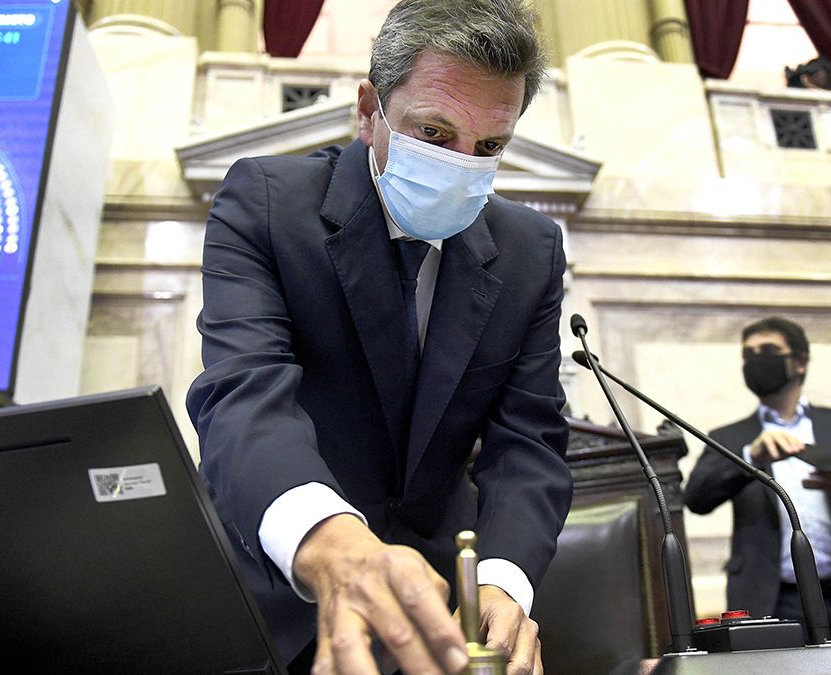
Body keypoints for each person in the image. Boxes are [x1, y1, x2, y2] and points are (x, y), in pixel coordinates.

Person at [185, 1, 573, 673]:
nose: (462, 165)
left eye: (490, 147)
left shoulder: (530, 250)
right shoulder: (267, 203)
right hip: (269, 605)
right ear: (370, 111)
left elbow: (528, 443)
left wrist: (501, 582)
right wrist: (335, 547)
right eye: (435, 132)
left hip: (437, 615)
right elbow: (243, 399)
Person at [684, 317, 831, 653]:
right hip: (772, 603)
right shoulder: (729, 437)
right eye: (748, 354)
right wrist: (749, 457)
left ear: (800, 361)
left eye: (768, 351)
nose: (756, 361)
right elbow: (697, 498)